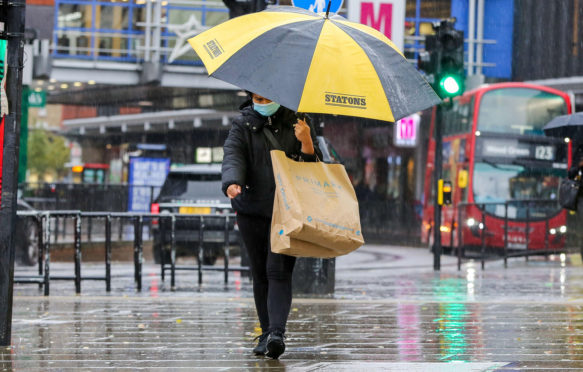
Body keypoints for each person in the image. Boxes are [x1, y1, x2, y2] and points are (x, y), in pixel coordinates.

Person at [221, 92, 322, 359]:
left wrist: (307, 142)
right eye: (258, 99)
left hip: (286, 211)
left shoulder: (299, 122)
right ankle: (266, 332)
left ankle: (276, 333)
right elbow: (233, 155)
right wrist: (232, 181)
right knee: (260, 273)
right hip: (251, 209)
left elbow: (313, 170)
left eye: (267, 99)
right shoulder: (242, 124)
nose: (262, 104)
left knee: (277, 270)